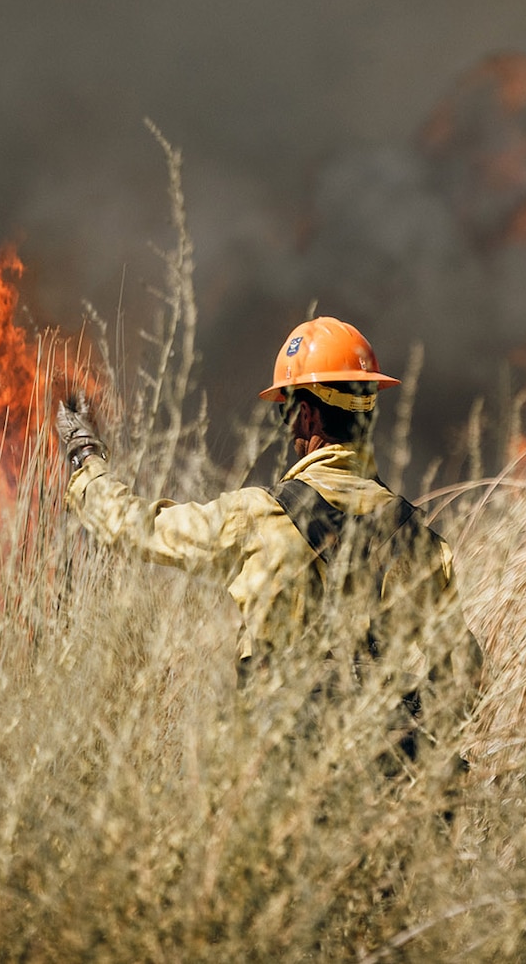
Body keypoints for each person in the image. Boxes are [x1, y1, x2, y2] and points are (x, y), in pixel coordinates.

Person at [54, 316, 482, 769]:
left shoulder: (259, 516)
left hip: (284, 785)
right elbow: (462, 669)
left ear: (307, 415)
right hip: (388, 802)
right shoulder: (420, 541)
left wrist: (85, 455)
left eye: (287, 411)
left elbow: (136, 527)